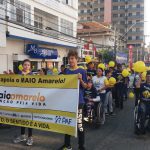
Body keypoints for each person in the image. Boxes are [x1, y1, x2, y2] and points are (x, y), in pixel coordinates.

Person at [58, 50, 87, 150]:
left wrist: (81, 80)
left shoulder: (82, 71)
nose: (70, 60)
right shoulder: (66, 71)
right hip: (68, 101)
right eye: (69, 58)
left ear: (77, 59)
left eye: (72, 58)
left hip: (79, 102)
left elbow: (86, 86)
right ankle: (67, 145)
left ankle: (81, 146)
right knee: (67, 123)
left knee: (79, 124)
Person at [13, 59, 33, 146]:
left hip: (30, 100)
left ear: (30, 66)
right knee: (22, 118)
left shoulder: (32, 75)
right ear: (22, 65)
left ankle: (30, 137)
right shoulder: (19, 74)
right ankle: (22, 136)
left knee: (30, 119)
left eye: (28, 65)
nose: (26, 66)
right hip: (21, 100)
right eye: (25, 64)